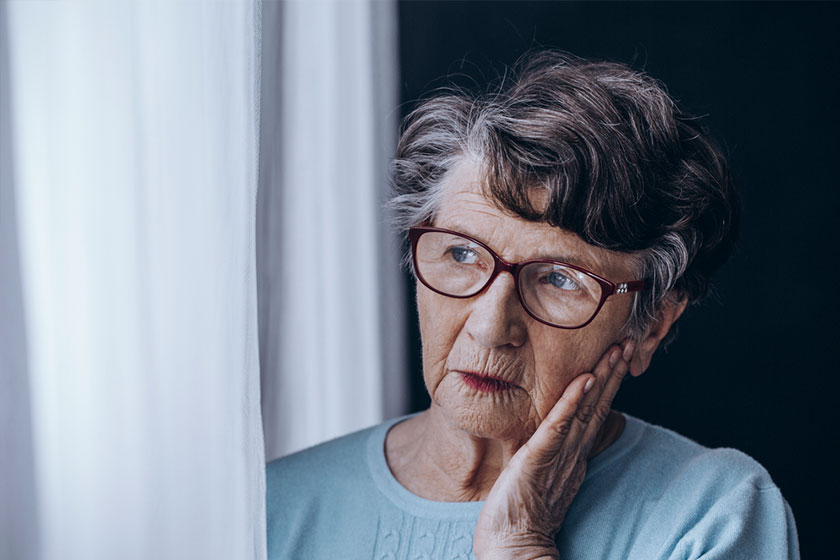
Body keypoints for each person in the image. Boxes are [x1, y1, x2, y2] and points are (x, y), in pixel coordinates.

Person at [265, 51, 799, 559]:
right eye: (462, 253)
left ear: (650, 326)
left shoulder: (713, 514)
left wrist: (521, 544)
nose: (491, 326)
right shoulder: (271, 510)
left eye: (560, 280)